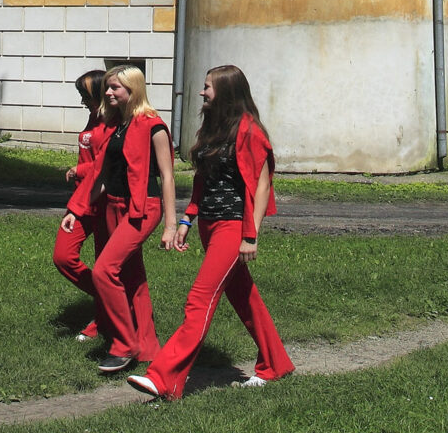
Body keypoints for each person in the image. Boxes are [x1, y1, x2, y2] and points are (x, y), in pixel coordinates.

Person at [130, 65, 294, 401]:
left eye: (208, 87)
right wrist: (188, 220)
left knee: (199, 300)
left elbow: (261, 187)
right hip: (209, 225)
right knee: (244, 298)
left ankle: (165, 378)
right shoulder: (213, 127)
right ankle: (276, 364)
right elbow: (203, 181)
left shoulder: (250, 131)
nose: (202, 92)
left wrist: (251, 234)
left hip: (234, 228)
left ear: (227, 90)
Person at [86, 64, 177, 374]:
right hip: (114, 204)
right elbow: (103, 174)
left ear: (133, 90)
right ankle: (149, 348)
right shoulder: (117, 124)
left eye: (116, 88)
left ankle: (124, 345)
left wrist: (170, 225)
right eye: (108, 88)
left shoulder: (154, 125)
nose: (108, 92)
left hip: (142, 208)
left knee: (104, 270)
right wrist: (78, 210)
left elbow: (167, 177)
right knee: (132, 277)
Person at [52, 69, 125, 340]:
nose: (83, 100)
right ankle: (112, 300)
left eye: (86, 94)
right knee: (63, 256)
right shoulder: (94, 115)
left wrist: (79, 170)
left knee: (105, 261)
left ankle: (104, 318)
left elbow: (108, 162)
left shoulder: (116, 120)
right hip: (82, 199)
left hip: (104, 199)